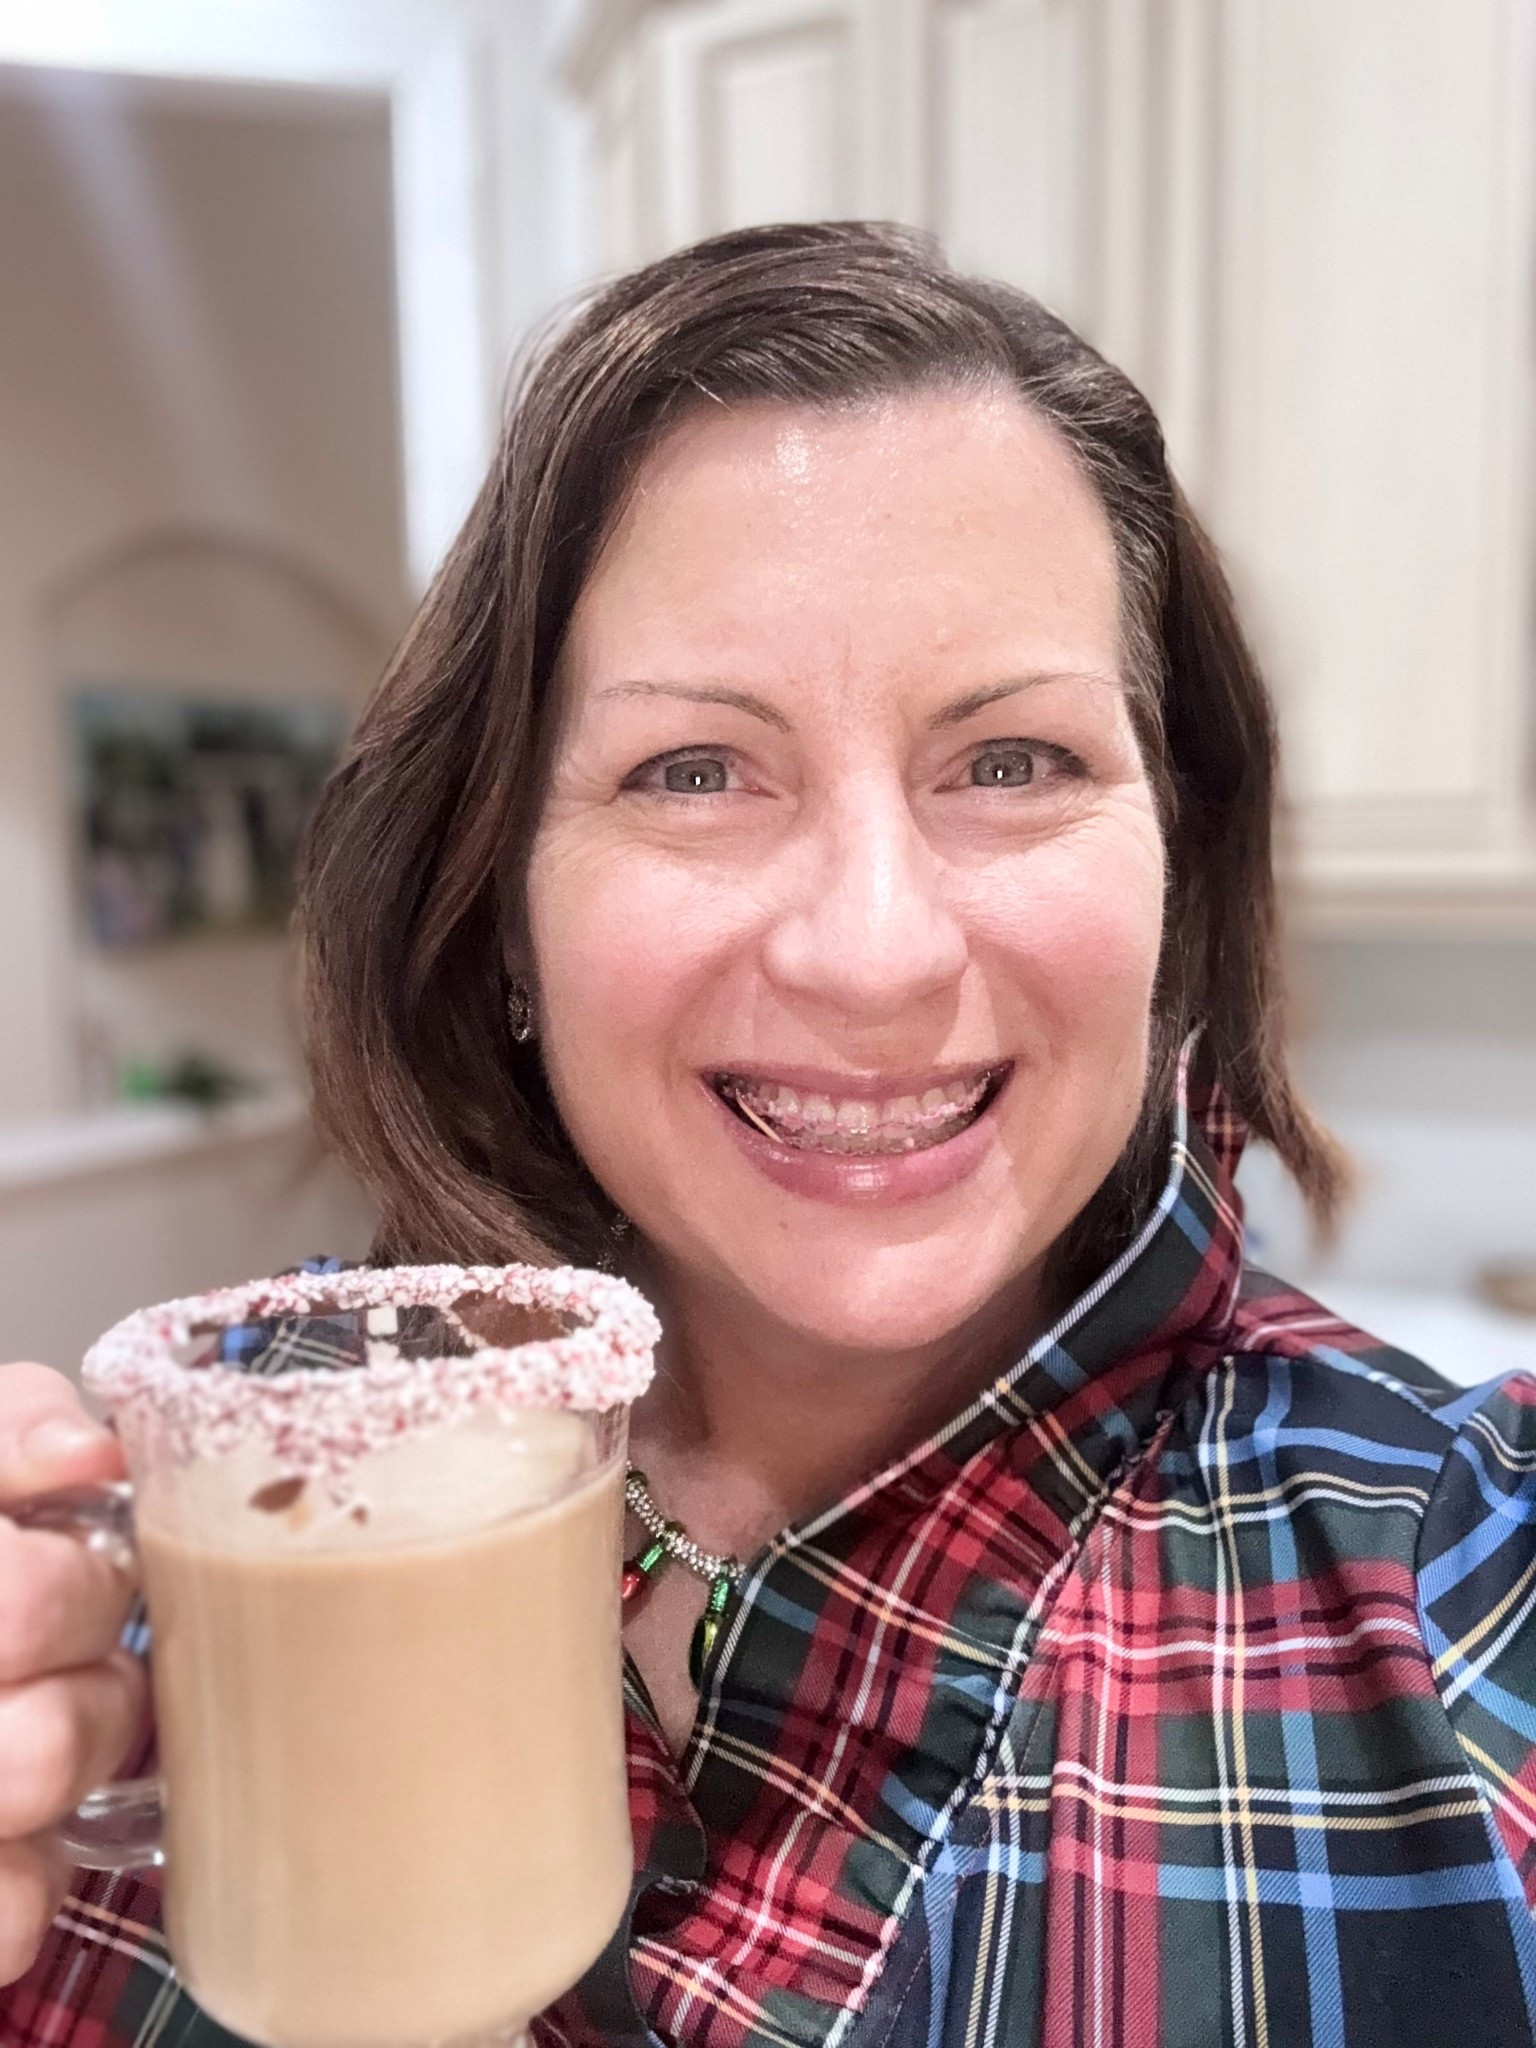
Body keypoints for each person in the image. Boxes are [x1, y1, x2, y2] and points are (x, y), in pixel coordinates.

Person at [2, 221, 1535, 2048]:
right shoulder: (231, 1491)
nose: (872, 954)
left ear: (1174, 861)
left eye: (1013, 761)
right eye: (694, 772)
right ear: (503, 912)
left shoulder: (1461, 1597)